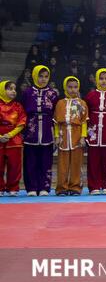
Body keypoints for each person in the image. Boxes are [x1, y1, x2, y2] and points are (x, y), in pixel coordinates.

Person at [21, 65, 59, 196]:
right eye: (40, 76)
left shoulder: (53, 94)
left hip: (47, 129)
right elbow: (22, 112)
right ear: (34, 76)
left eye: (46, 76)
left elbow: (55, 114)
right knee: (30, 161)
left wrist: (56, 133)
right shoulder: (27, 92)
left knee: (46, 161)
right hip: (31, 130)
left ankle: (44, 187)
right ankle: (31, 188)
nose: (43, 79)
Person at [53, 76, 88, 196]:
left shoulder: (82, 103)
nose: (73, 90)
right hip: (63, 136)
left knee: (76, 163)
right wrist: (57, 136)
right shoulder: (60, 103)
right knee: (62, 164)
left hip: (77, 134)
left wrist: (83, 136)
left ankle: (75, 187)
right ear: (65, 88)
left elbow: (84, 122)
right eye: (70, 87)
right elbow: (56, 122)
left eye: (75, 87)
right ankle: (61, 188)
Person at [0, 80, 26, 196]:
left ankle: (13, 188)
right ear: (2, 90)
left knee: (14, 166)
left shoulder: (18, 106)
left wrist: (9, 135)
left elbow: (22, 122)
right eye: (10, 88)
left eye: (14, 89)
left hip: (14, 140)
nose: (13, 91)